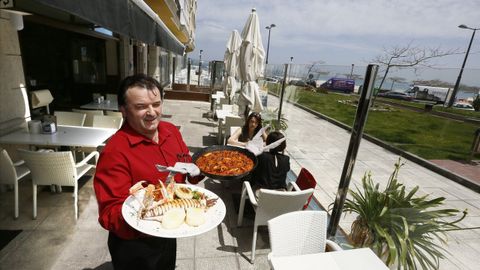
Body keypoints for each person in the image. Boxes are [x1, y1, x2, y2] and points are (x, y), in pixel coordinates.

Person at [93, 74, 202, 270]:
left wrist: (197, 170)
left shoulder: (171, 131)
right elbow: (109, 213)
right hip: (134, 246)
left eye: (156, 104)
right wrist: (147, 216)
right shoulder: (115, 151)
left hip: (168, 233)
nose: (152, 112)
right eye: (141, 107)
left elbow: (185, 166)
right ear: (124, 110)